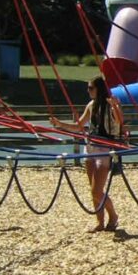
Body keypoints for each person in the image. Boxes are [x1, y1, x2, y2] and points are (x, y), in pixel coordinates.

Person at [49, 76, 124, 232]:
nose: (88, 91)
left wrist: (116, 106)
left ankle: (113, 216)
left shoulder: (111, 104)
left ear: (99, 89)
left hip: (105, 148)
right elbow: (79, 126)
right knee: (93, 189)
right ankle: (100, 222)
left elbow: (119, 122)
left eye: (91, 88)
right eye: (88, 88)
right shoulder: (91, 105)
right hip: (90, 148)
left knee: (96, 191)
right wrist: (60, 124)